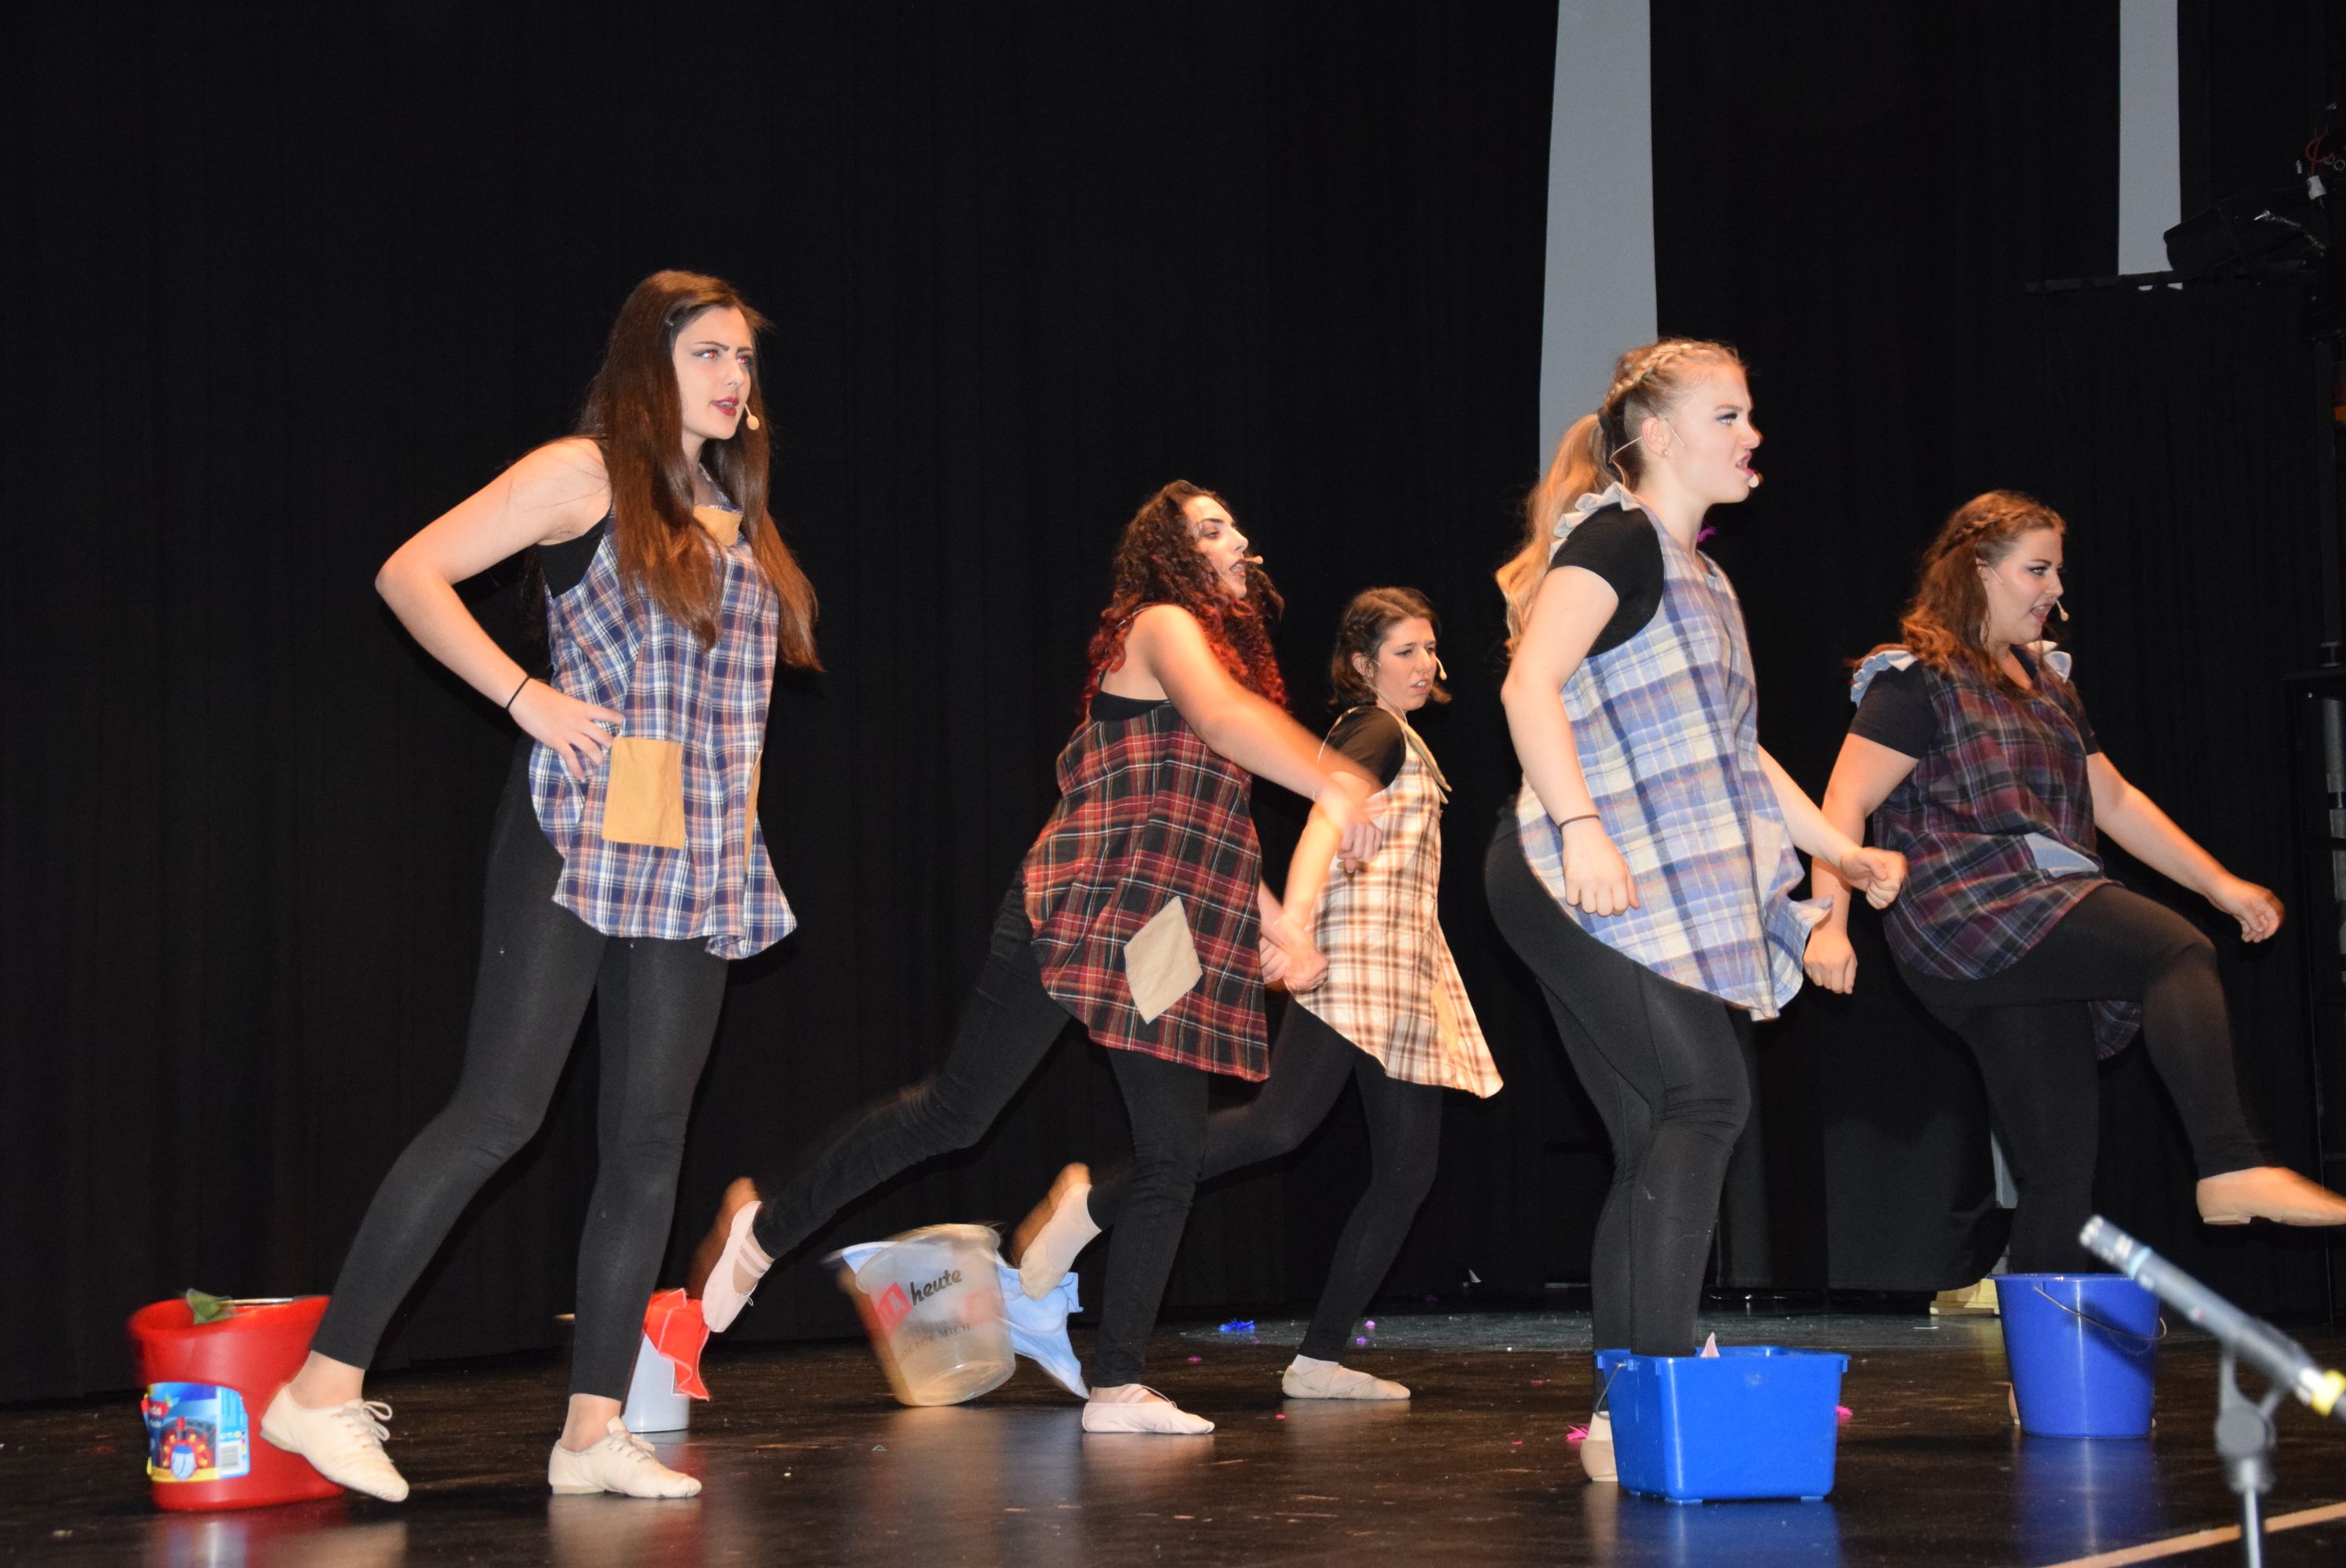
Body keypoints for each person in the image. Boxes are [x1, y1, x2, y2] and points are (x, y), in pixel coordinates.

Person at [262, 270, 821, 1502]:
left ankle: (590, 1433)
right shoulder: (584, 475)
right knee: (499, 1114)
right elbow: (411, 573)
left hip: (695, 845)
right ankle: (321, 1388)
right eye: (707, 353)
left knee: (650, 1143)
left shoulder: (734, 514)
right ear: (648, 365)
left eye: (743, 358)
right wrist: (525, 697)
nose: (733, 377)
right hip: (580, 825)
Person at [687, 481, 1382, 1435]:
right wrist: (1336, 780)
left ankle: (1119, 1383)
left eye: (1235, 525)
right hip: (1077, 905)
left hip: (1157, 935)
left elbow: (1210, 821)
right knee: (956, 1111)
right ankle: (761, 1231)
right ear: (1171, 555)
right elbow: (1224, 721)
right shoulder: (1163, 623)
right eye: (1214, 528)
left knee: (1173, 1150)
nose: (1240, 540)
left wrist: (1275, 922)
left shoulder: (1219, 668)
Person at [1483, 339, 1905, 1482]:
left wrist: (1837, 853)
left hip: (1626, 877)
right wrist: (1582, 827)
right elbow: (1528, 681)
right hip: (1568, 868)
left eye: (1750, 414)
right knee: (1706, 1096)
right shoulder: (1615, 540)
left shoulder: (1703, 577)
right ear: (1658, 436)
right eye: (1729, 415)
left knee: (1653, 1132)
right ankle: (1655, 1387)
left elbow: (1734, 753)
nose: (1752, 435)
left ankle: (1625, 1407)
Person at [1804, 489, 2346, 1272]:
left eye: (2057, 571)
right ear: (1978, 570)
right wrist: (1829, 923)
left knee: (2059, 1169)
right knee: (2172, 949)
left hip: (2032, 920)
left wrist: (2220, 884)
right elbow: (1843, 802)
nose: (2056, 590)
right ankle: (2231, 1162)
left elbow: (2114, 800)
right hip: (1969, 905)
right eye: (2038, 570)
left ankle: (2045, 1346)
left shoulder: (2047, 684)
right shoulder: (1917, 680)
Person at [1011, 587, 1502, 1403]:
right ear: (1363, 665)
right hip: (1353, 959)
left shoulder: (1401, 735)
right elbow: (1322, 824)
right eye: (1404, 651)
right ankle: (1089, 1204)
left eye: (1429, 648)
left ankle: (1319, 1358)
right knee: (1280, 1125)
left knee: (1406, 1169)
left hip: (1403, 966)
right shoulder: (1374, 730)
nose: (1424, 664)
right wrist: (1295, 926)